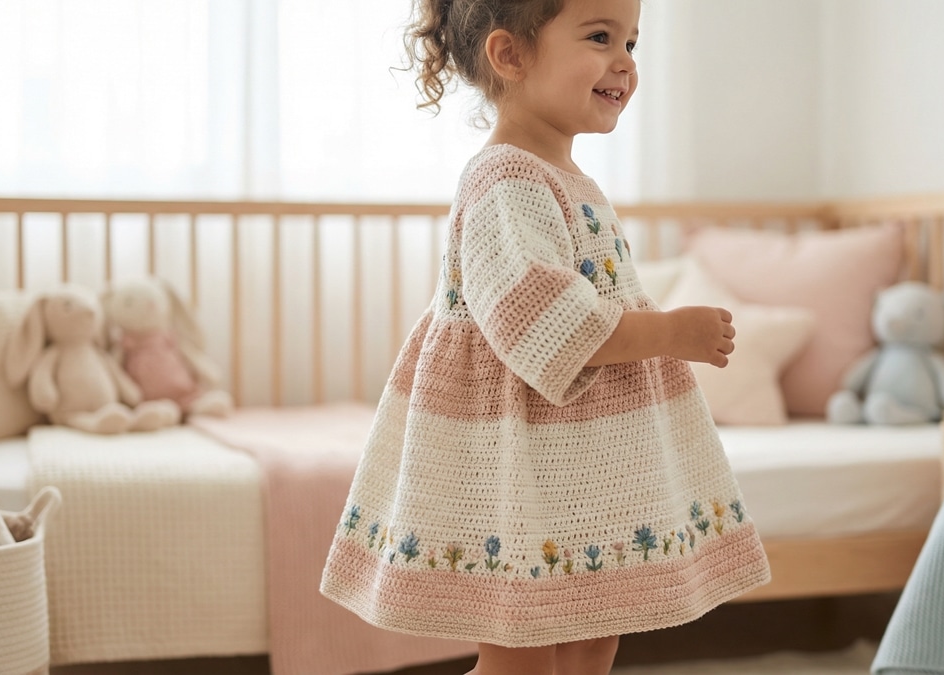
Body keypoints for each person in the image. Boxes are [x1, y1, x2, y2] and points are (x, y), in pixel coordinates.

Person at [321, 0, 770, 673]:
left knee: (594, 638)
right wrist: (670, 331)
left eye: (631, 43)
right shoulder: (505, 178)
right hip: (523, 461)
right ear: (512, 55)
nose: (624, 62)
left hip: (582, 464)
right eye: (600, 37)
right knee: (523, 654)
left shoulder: (568, 178)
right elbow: (541, 318)